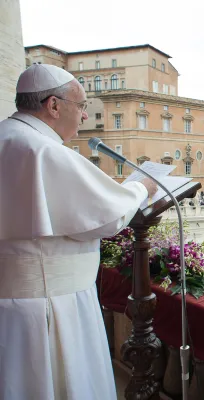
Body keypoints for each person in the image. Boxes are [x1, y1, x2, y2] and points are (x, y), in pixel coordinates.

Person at [0, 64, 157, 399]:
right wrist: (142, 188)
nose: (85, 116)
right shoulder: (41, 149)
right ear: (53, 106)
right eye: (82, 105)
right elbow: (108, 215)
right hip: (49, 307)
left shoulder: (7, 137)